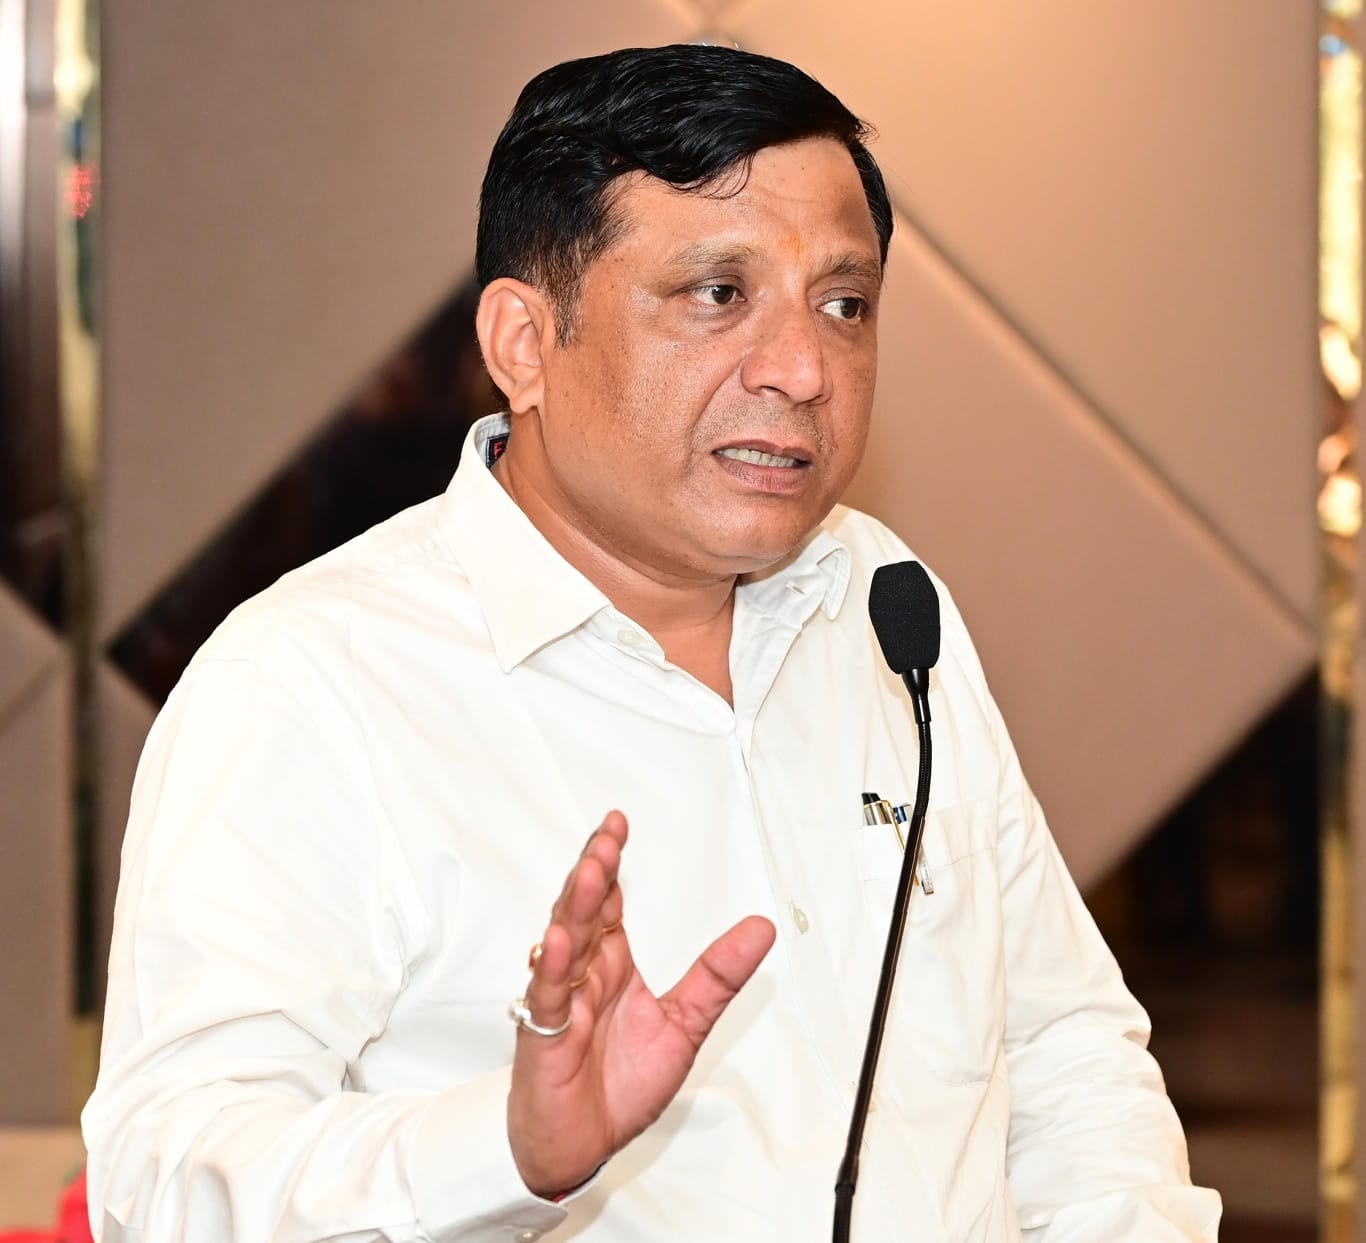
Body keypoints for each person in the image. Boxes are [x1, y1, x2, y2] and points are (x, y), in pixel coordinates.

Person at [82, 44, 1221, 1242]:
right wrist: (504, 1149)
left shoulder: (879, 602)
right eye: (716, 293)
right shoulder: (314, 683)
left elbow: (1061, 1049)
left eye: (843, 305)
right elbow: (166, 1183)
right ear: (524, 343)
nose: (801, 370)